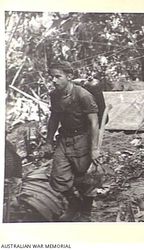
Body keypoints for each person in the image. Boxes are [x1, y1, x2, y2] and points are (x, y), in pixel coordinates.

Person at [43, 61, 100, 222]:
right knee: (58, 177)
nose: (54, 80)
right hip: (64, 138)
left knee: (84, 178)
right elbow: (54, 118)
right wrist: (48, 141)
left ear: (69, 77)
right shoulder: (54, 95)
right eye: (52, 77)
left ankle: (86, 214)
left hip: (82, 137)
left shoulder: (83, 95)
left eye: (58, 76)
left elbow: (94, 123)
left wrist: (94, 148)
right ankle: (74, 205)